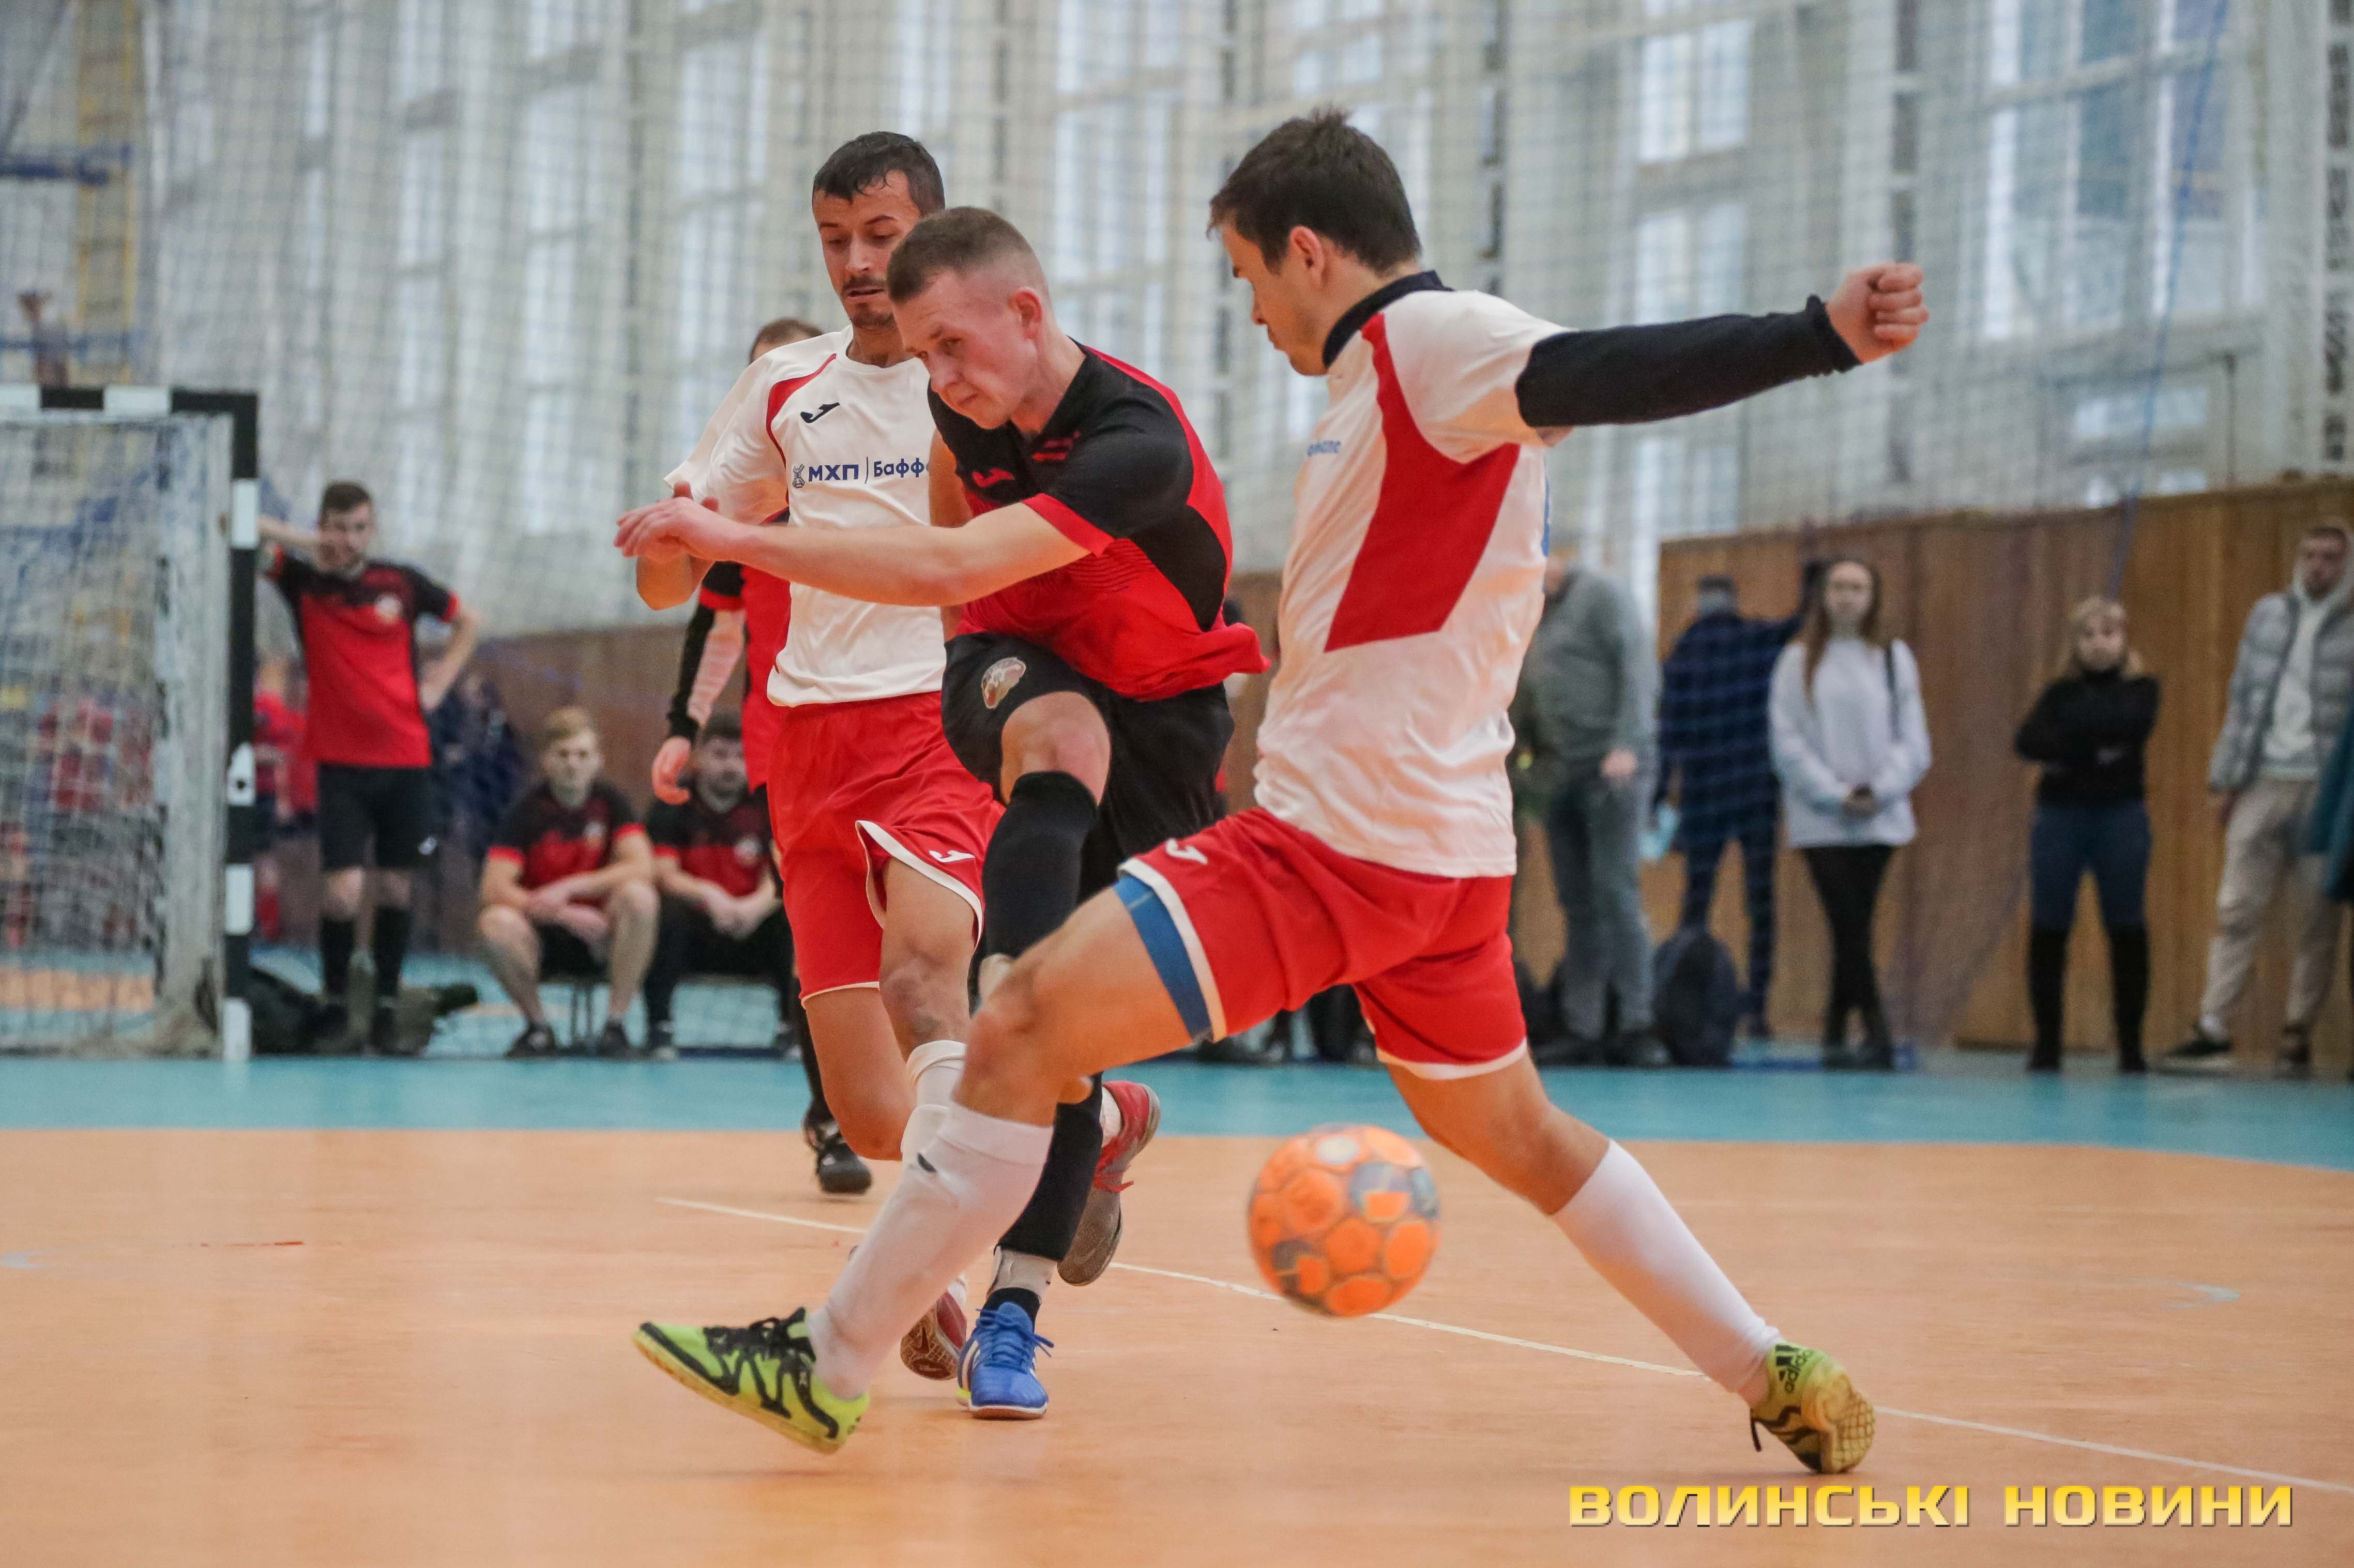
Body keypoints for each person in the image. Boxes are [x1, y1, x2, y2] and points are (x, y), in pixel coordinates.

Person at [625, 111, 1925, 1469]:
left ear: (1308, 251)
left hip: (1331, 844)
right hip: (1447, 857)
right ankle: (1770, 1366)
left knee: (1014, 1026)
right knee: (1516, 1130)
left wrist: (1815, 333)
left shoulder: (1428, 342)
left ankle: (829, 1359)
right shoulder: (1377, 381)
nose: (1250, 309)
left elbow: (1605, 366)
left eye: (1249, 275)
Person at [622, 194, 1261, 1418]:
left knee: (988, 1040)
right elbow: (943, 572)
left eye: (951, 345)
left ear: (1018, 307)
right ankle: (912, 1301)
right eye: (837, 242)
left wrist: (734, 541)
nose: (939, 374)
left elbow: (944, 564)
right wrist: (695, 558)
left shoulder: (1133, 436)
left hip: (1159, 721)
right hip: (981, 684)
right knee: (955, 1036)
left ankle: (972, 1269)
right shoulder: (895, 405)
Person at [652, 314, 870, 1195]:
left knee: (915, 935)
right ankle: (834, 1116)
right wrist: (683, 724)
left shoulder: (863, 479)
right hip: (786, 741)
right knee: (816, 932)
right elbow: (716, 625)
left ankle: (920, 1104)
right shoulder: (740, 506)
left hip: (890, 726)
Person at [259, 482, 481, 1053]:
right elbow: (230, 524)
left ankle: (383, 1006)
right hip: (340, 764)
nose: (350, 539)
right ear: (323, 526)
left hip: (406, 760)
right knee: (342, 892)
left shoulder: (401, 583)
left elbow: (468, 621)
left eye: (359, 528)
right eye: (338, 527)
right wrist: (309, 542)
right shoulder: (302, 581)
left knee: (396, 888)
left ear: (372, 529)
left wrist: (440, 681)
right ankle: (335, 1006)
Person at [2162, 522, 2354, 1076]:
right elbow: (2243, 698)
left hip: (2324, 787)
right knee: (2234, 907)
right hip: (2262, 779)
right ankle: (2212, 1028)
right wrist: (2226, 779)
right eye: (2309, 554)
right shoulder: (2266, 615)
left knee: (2316, 918)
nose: (2317, 566)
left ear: (2346, 566)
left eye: (2330, 557)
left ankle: (2296, 1033)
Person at [1767, 558, 1930, 1071]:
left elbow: (1913, 740)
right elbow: (1786, 742)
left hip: (1880, 817)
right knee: (1848, 923)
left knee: (1853, 926)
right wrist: (1835, 795)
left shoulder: (1893, 658)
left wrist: (1877, 790)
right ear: (1822, 595)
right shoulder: (1795, 661)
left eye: (1857, 587)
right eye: (1838, 586)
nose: (1847, 596)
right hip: (1821, 820)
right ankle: (1877, 1034)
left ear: (1872, 596)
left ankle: (1836, 1031)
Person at [1512, 553, 1666, 1067]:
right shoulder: (1532, 610)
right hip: (1561, 774)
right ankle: (1584, 1025)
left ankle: (1638, 1022)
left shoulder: (1601, 594)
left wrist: (1625, 744)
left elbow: (1637, 669)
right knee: (1576, 902)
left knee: (1615, 891)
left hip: (1612, 768)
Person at [1656, 571, 1810, 1037]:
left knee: (1698, 899)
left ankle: (1688, 1003)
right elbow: (1796, 622)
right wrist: (1810, 578)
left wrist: (1659, 793)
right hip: (1752, 790)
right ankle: (1753, 1006)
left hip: (1707, 792)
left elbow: (1668, 733)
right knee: (1756, 900)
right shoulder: (1750, 640)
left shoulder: (1686, 651)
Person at [2013, 598, 2159, 1074]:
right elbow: (2027, 741)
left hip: (2120, 817)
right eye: (2088, 635)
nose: (2099, 644)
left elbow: (2128, 727)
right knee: (2049, 927)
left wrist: (2067, 750)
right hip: (2059, 819)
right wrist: (2094, 750)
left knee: (2126, 927)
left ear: (2124, 639)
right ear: (2074, 644)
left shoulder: (2141, 689)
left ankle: (2130, 1046)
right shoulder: (2057, 693)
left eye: (2108, 634)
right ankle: (2047, 1045)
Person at [476, 707, 660, 1058]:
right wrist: (561, 913)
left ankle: (616, 1026)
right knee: (494, 922)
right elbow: (494, 888)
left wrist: (570, 888)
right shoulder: (525, 812)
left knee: (640, 897)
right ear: (546, 760)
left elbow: (642, 867)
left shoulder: (611, 804)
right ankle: (538, 1028)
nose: (573, 764)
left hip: (601, 936)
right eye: (563, 755)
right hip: (543, 937)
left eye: (582, 755)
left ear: (598, 760)